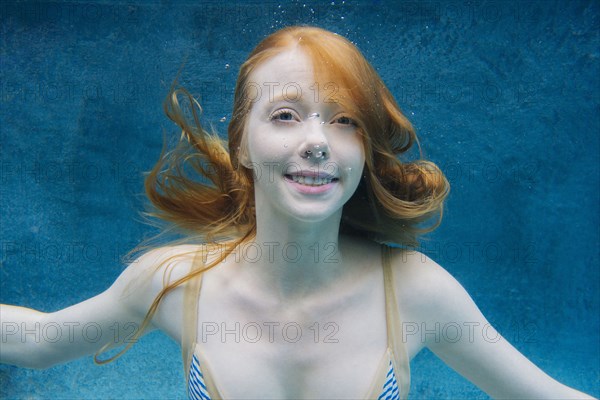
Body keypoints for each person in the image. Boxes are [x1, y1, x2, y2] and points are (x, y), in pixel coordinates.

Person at [0, 25, 594, 400]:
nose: (318, 141)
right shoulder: (174, 283)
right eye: (285, 114)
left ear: (364, 148)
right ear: (241, 143)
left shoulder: (416, 292)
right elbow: (36, 339)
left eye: (344, 119)